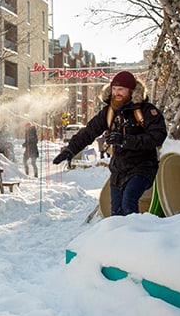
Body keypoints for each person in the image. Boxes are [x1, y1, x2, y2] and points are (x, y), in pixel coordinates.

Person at [53, 71, 167, 216]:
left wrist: (125, 140)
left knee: (128, 202)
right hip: (119, 170)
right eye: (114, 89)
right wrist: (70, 150)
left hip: (143, 167)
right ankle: (118, 238)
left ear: (131, 91)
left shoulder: (146, 111)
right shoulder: (109, 112)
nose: (116, 93)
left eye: (121, 90)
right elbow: (89, 132)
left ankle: (135, 236)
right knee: (116, 212)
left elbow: (157, 136)